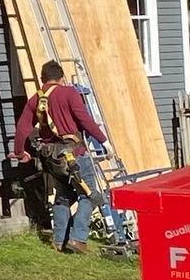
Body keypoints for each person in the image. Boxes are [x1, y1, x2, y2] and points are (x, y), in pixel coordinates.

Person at [13, 60, 114, 254]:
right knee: (89, 195)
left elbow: (22, 128)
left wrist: (20, 152)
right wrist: (104, 142)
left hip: (52, 159)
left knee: (62, 197)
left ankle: (59, 241)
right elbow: (84, 120)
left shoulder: (36, 99)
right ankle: (78, 239)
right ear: (61, 78)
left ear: (43, 79)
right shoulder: (69, 93)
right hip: (75, 155)